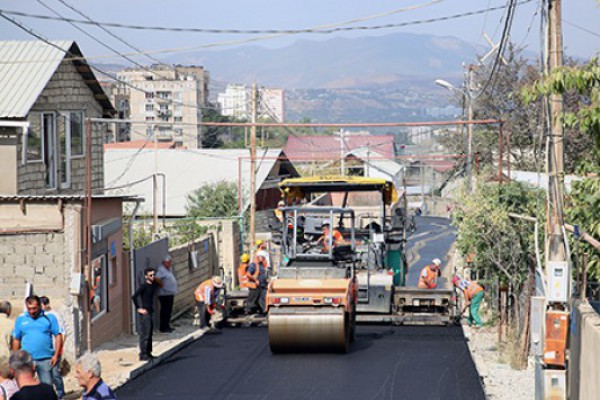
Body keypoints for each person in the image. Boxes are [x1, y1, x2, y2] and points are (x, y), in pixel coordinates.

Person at [11, 296, 62, 389]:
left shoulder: (49, 318)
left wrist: (56, 355)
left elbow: (58, 336)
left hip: (45, 359)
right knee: (26, 386)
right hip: (27, 361)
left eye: (34, 308)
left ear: (39, 306)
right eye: (29, 308)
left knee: (47, 386)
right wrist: (16, 357)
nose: (32, 311)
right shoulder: (21, 319)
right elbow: (16, 339)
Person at [39, 297, 65, 400]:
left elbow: (62, 333)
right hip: (44, 351)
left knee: (55, 374)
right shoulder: (40, 317)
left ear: (46, 305)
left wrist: (59, 351)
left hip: (55, 350)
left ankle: (60, 393)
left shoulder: (55, 316)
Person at [131, 268, 159, 361]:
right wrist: (139, 308)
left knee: (150, 333)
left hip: (150, 311)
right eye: (150, 275)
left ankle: (149, 352)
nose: (152, 277)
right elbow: (134, 297)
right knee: (145, 334)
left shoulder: (153, 285)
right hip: (145, 313)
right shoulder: (144, 286)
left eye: (153, 275)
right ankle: (143, 354)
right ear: (146, 276)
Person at [155, 255, 178, 333]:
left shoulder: (168, 269)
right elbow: (156, 278)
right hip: (164, 294)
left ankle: (167, 326)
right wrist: (161, 284)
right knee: (165, 310)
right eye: (169, 262)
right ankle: (163, 327)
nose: (170, 264)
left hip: (169, 293)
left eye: (170, 262)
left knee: (168, 310)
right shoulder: (161, 269)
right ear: (164, 262)